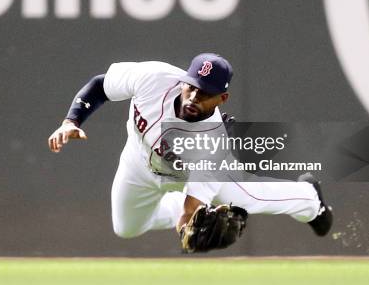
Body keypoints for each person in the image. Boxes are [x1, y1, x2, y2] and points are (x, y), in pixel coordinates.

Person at [47, 53, 332, 246]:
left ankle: (309, 199)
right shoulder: (152, 77)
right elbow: (100, 86)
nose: (194, 96)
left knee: (249, 197)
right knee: (126, 228)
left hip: (186, 176)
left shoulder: (213, 143)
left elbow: (190, 210)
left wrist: (188, 228)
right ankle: (169, 204)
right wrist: (70, 122)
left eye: (206, 93)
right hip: (138, 161)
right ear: (184, 80)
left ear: (222, 98)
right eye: (192, 86)